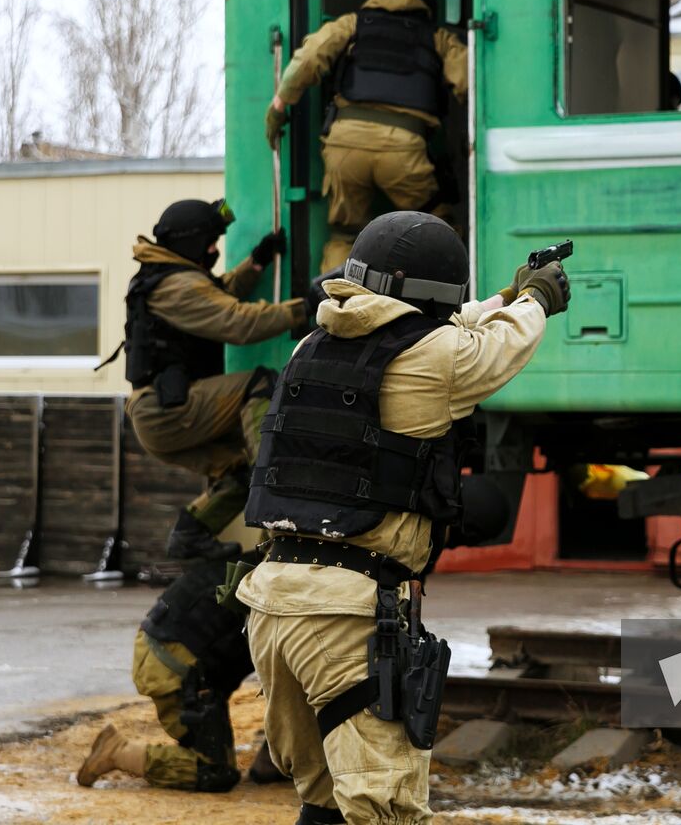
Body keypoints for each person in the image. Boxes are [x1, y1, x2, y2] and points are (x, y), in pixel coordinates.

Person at [234, 210, 570, 825]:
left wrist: (504, 292)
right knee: (382, 807)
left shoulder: (314, 345)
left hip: (272, 602)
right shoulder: (438, 359)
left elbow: (434, 329)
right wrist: (537, 299)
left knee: (323, 798)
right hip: (344, 611)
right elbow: (493, 346)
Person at [121, 198, 306, 559]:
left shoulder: (168, 276)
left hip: (162, 413)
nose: (214, 249)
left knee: (238, 473)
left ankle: (191, 533)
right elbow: (238, 321)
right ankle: (274, 487)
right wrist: (306, 307)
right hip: (169, 411)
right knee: (261, 384)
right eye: (209, 241)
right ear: (191, 242)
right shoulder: (175, 286)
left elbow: (216, 294)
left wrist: (255, 264)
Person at [264, 0, 468, 273]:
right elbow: (471, 82)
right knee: (434, 230)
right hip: (403, 150)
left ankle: (332, 307)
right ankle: (441, 306)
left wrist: (278, 106)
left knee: (346, 234)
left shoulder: (352, 24)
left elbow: (307, 60)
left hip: (344, 146)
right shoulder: (437, 37)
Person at [76, 555, 259, 792]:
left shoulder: (270, 559)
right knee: (215, 771)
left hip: (173, 653)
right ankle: (118, 752)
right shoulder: (278, 579)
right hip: (175, 666)